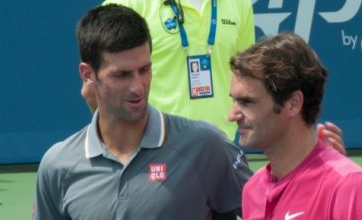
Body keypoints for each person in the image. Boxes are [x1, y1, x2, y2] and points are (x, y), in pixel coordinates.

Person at [34, 5, 252, 219]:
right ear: (88, 75)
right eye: (122, 75)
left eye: (145, 70)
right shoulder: (57, 166)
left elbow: (267, 209)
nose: (138, 87)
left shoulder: (207, 147)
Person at [80, 0, 346, 154]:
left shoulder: (238, 3)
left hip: (222, 147)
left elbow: (250, 82)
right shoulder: (129, 4)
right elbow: (98, 90)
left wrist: (308, 154)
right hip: (152, 148)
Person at [227, 32, 362, 219]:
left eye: (247, 102)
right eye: (234, 101)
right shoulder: (252, 190)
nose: (231, 115)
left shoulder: (348, 187)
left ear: (293, 103)